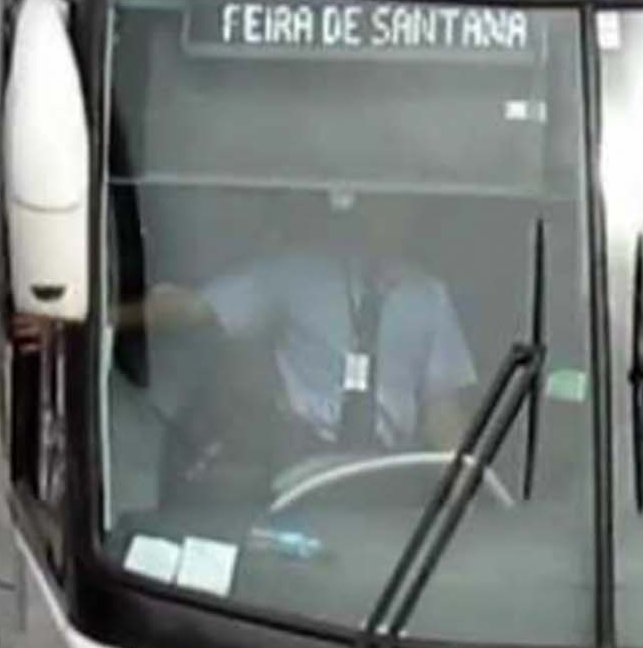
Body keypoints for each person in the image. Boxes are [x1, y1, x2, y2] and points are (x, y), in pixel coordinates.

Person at [127, 190, 479, 454]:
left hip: (387, 468)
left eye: (399, 205)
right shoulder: (295, 274)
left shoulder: (429, 295)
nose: (388, 217)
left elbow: (441, 406)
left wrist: (464, 489)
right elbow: (195, 309)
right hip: (301, 459)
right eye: (378, 204)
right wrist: (106, 313)